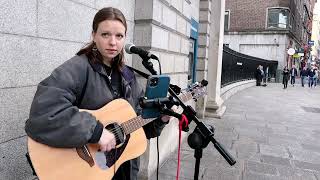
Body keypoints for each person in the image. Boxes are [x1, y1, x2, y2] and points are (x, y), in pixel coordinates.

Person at [25, 7, 170, 180]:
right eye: (105, 34)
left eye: (119, 36)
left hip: (123, 170)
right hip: (86, 170)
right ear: (94, 35)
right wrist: (96, 131)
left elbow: (138, 128)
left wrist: (161, 119)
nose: (113, 42)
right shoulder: (77, 69)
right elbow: (44, 113)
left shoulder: (128, 76)